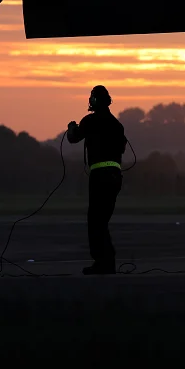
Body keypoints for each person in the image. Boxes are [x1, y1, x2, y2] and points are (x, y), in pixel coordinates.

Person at [67, 84, 127, 275]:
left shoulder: (90, 121)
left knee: (96, 221)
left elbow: (73, 138)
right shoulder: (117, 125)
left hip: (99, 178)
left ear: (93, 101)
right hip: (115, 178)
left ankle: (103, 262)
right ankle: (107, 261)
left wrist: (71, 127)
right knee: (102, 220)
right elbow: (121, 148)